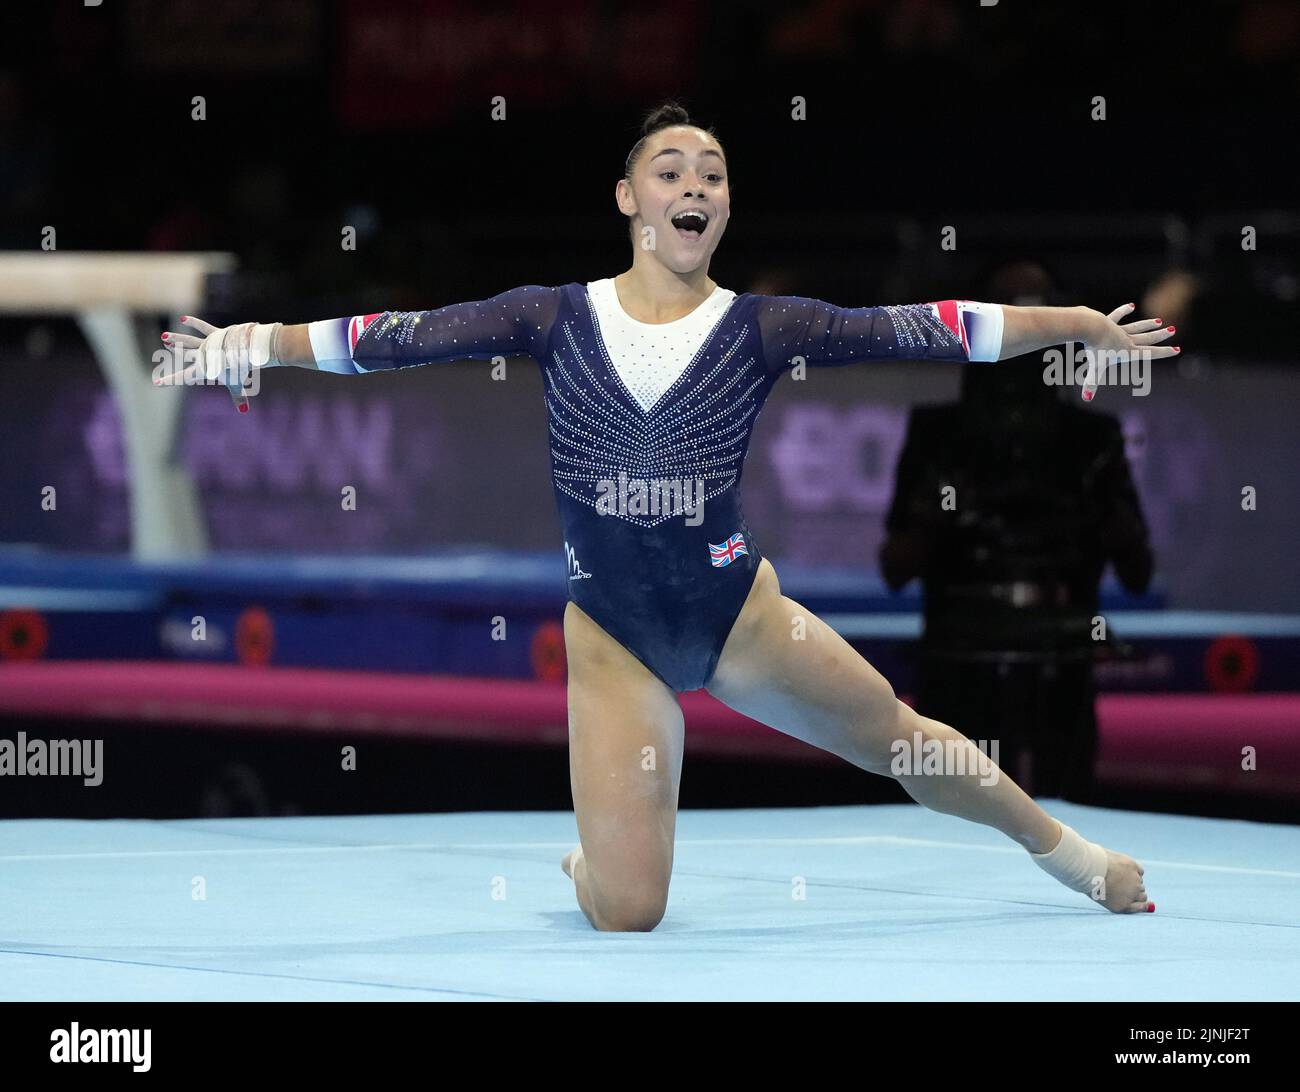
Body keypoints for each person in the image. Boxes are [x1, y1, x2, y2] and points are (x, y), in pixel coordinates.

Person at [160, 102, 1176, 931]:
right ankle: (590, 860)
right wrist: (258, 339)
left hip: (736, 613)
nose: (694, 185)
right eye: (670, 169)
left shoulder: (765, 327)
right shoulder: (550, 316)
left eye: (713, 173)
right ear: (626, 198)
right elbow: (396, 336)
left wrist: (1079, 325)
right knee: (629, 913)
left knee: (900, 744)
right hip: (614, 639)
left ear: (725, 209)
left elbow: (935, 329)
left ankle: (1072, 858)